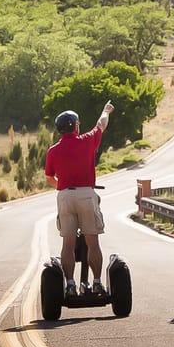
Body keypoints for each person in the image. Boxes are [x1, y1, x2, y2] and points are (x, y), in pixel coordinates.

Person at [45, 101, 114, 297]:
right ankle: (98, 283)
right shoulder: (86, 141)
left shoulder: (53, 151)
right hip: (86, 194)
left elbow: (50, 177)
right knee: (92, 242)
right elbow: (101, 124)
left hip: (65, 196)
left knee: (67, 244)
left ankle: (70, 284)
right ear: (76, 126)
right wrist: (105, 110)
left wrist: (62, 185)